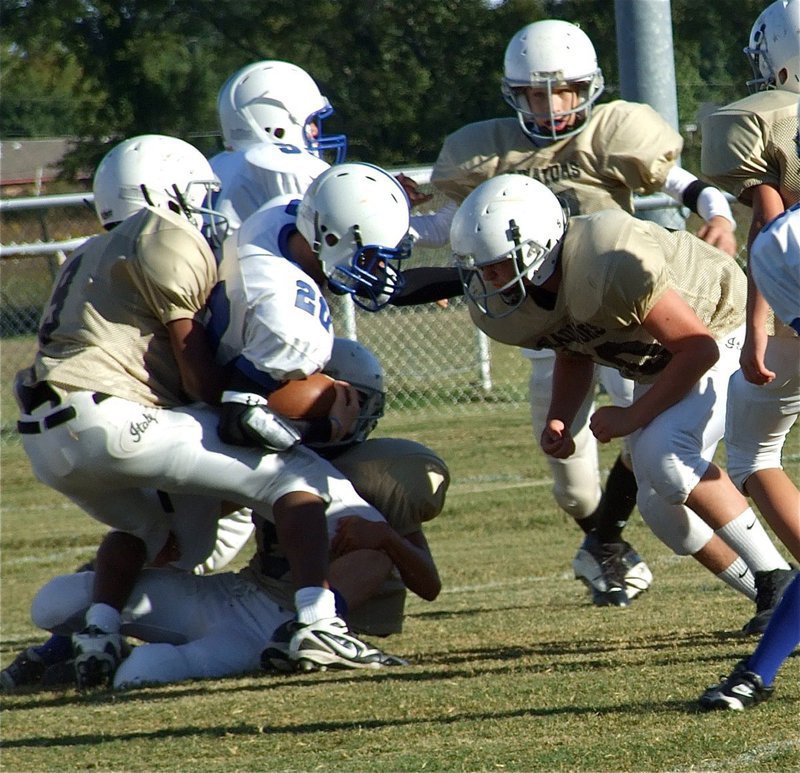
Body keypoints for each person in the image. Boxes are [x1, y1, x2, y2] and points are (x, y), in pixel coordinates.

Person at [12, 136, 412, 688]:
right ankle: (319, 623)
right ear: (162, 194)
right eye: (197, 195)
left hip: (43, 436)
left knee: (161, 533)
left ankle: (91, 634)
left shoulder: (83, 253)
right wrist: (252, 400)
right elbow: (200, 378)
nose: (204, 209)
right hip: (110, 418)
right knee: (294, 477)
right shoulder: (166, 237)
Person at [408, 19, 739, 607]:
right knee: (570, 480)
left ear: (587, 87)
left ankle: (722, 570)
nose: (551, 105)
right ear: (514, 94)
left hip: (620, 312)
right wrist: (396, 227)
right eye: (536, 93)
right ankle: (606, 539)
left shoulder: (610, 133)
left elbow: (694, 190)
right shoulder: (487, 149)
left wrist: (721, 216)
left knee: (647, 444)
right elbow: (447, 225)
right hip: (545, 324)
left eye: (561, 90)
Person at [446, 173, 796, 630]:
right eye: (479, 267)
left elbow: (698, 348)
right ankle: (776, 605)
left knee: (665, 454)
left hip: (720, 327)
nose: (485, 279)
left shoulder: (604, 258)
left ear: (535, 248)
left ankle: (778, 581)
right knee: (658, 507)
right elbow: (572, 350)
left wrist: (633, 416)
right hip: (665, 362)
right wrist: (559, 419)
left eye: (495, 264)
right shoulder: (530, 293)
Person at [10, 339, 448, 689]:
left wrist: (386, 539)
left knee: (143, 673)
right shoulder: (256, 454)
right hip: (237, 593)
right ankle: (78, 646)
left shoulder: (378, 474)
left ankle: (312, 635)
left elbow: (428, 584)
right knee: (55, 601)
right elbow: (172, 525)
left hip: (272, 622)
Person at [701, 0, 800, 611]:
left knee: (753, 454)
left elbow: (772, 231)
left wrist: (757, 326)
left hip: (793, 307)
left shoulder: (766, 123)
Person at [699, 203, 800, 711]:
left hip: (780, 345)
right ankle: (755, 675)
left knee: (752, 456)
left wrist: (757, 332)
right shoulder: (783, 241)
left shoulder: (781, 239)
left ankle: (755, 675)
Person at [210, 60, 345, 234]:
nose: (315, 130)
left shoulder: (217, 163)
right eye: (310, 121)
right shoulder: (284, 165)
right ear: (276, 124)